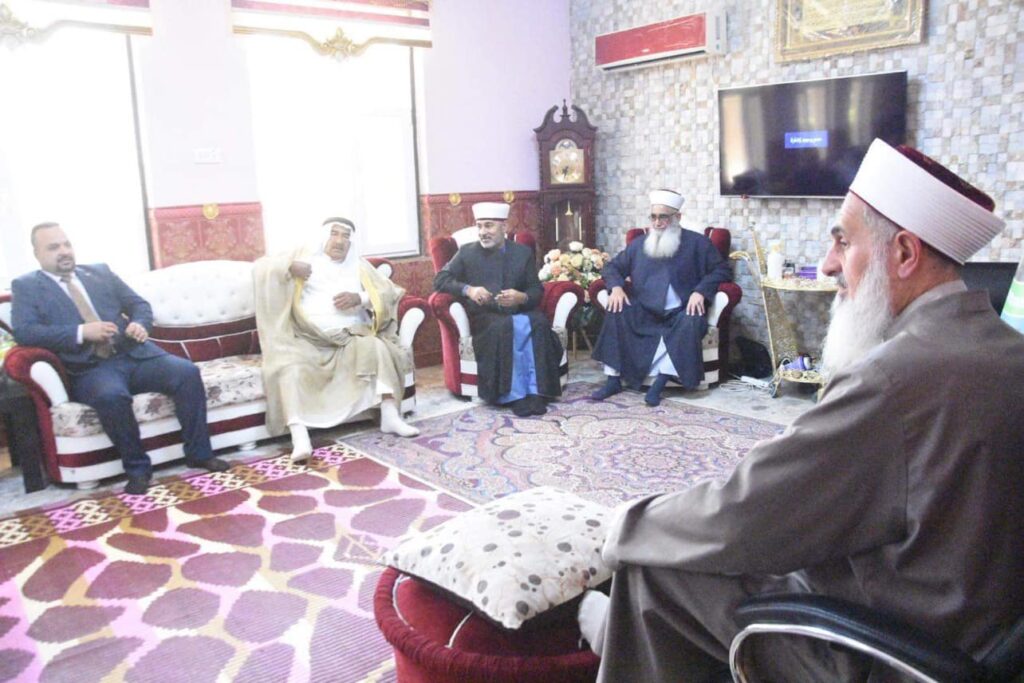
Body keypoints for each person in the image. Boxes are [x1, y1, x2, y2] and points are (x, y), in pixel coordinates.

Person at [576, 140, 1024, 681]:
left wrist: (623, 525)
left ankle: (617, 634)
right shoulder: (1008, 349)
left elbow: (746, 514)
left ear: (905, 254)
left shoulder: (894, 378)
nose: (829, 263)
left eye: (843, 242)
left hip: (884, 653)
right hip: (975, 635)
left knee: (656, 564)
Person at [11, 223, 229, 495]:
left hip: (133, 354)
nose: (64, 251)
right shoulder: (27, 286)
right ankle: (138, 470)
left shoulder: (99, 272)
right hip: (91, 367)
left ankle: (199, 453)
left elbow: (139, 305)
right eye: (54, 247)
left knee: (186, 373)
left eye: (67, 244)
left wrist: (139, 323)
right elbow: (25, 332)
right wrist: (81, 332)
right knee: (111, 396)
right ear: (37, 254)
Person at [253, 217, 418, 463]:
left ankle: (390, 416)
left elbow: (390, 292)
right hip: (309, 339)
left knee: (378, 347)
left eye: (346, 236)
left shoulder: (359, 266)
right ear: (323, 237)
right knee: (289, 367)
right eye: (334, 234)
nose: (340, 241)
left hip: (351, 336)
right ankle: (299, 436)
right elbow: (260, 268)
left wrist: (360, 298)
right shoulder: (303, 259)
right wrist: (289, 266)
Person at [590, 189, 733, 406]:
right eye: (653, 217)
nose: (657, 223)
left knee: (691, 322)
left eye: (663, 217)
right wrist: (616, 288)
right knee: (616, 311)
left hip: (681, 311)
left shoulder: (698, 243)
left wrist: (700, 291)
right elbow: (612, 267)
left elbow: (722, 270)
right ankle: (613, 380)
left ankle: (660, 382)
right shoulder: (639, 244)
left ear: (677, 217)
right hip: (644, 310)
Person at [433, 202, 564, 416]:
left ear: (504, 226)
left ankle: (536, 392)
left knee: (538, 323)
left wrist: (521, 297)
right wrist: (469, 290)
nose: (483, 232)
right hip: (487, 316)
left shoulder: (522, 253)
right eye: (479, 226)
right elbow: (440, 280)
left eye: (489, 226)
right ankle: (514, 396)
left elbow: (536, 290)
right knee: (505, 328)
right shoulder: (466, 252)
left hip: (520, 310)